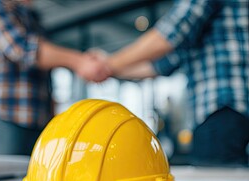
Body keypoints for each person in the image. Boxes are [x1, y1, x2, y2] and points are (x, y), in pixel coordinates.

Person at [93, 0, 249, 165]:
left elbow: (170, 34)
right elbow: (156, 67)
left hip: (225, 107)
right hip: (230, 111)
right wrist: (108, 70)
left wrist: (107, 64)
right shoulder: (202, 31)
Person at [0, 0, 110, 155]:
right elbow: (21, 48)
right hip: (10, 116)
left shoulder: (33, 16)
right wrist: (79, 61)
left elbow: (44, 69)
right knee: (6, 174)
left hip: (40, 119)